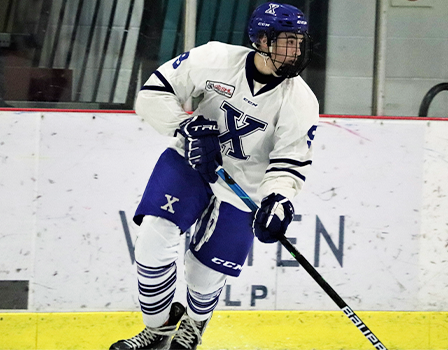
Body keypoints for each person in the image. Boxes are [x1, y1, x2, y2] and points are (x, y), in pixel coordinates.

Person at [110, 3, 318, 349]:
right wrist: (186, 127)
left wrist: (278, 201)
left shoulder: (300, 101)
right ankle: (158, 332)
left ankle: (193, 326)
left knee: (204, 274)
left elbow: (289, 162)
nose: (296, 52)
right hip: (190, 161)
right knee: (152, 240)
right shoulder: (214, 59)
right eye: (288, 42)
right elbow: (152, 95)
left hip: (244, 187)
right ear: (262, 40)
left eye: (300, 42)